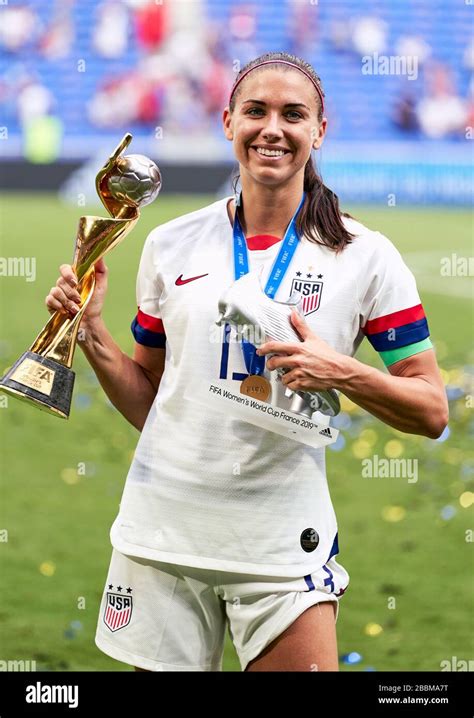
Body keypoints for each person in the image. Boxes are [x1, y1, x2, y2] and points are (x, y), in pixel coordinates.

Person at [45, 51, 448, 672]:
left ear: (320, 130)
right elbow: (150, 402)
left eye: (294, 114)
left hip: (282, 546)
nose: (273, 129)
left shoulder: (367, 255)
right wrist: (92, 331)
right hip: (163, 538)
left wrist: (340, 370)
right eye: (255, 111)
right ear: (228, 121)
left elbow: (430, 410)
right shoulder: (169, 242)